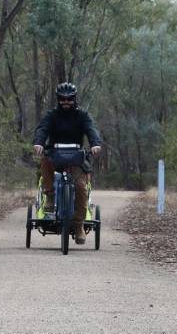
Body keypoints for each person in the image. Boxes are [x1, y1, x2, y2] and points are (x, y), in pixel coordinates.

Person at [32, 82, 103, 245]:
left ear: (74, 99)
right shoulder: (52, 115)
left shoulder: (82, 116)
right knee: (44, 160)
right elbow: (42, 129)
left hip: (76, 158)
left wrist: (95, 144)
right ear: (58, 99)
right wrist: (39, 143)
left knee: (80, 187)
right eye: (62, 99)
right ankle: (49, 196)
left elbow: (91, 130)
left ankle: (78, 226)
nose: (66, 102)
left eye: (69, 99)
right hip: (55, 155)